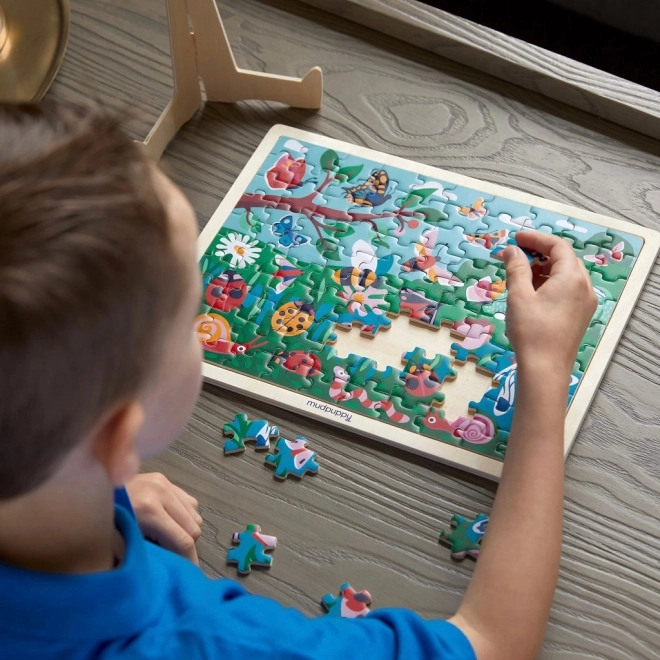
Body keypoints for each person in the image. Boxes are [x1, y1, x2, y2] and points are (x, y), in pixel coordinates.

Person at [0, 101, 597, 660]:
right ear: (115, 439)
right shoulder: (220, 643)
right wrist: (545, 371)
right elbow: (494, 642)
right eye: (191, 314)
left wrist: (95, 493)